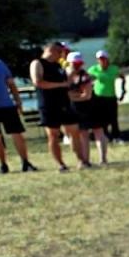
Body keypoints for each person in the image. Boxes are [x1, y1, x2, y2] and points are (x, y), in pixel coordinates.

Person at [0, 37, 36, 173]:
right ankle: (3, 165)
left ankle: (25, 162)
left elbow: (11, 83)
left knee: (17, 134)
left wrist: (18, 101)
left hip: (6, 105)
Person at [29, 41, 75, 171]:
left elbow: (70, 77)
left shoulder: (59, 64)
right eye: (59, 52)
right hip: (48, 103)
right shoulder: (38, 63)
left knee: (74, 130)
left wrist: (67, 63)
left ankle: (82, 159)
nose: (61, 55)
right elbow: (38, 82)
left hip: (64, 102)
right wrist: (61, 85)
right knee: (53, 134)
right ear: (52, 50)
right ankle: (61, 163)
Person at [64, 52, 99, 166]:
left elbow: (87, 95)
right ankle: (79, 158)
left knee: (84, 134)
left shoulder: (84, 76)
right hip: (68, 108)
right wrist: (74, 95)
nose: (77, 66)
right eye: (75, 64)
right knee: (72, 135)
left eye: (79, 63)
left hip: (83, 109)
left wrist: (72, 96)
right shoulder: (63, 75)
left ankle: (86, 160)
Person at [87, 51, 123, 152]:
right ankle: (105, 136)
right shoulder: (94, 69)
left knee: (113, 118)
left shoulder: (113, 68)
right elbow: (86, 78)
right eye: (99, 59)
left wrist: (123, 90)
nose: (101, 61)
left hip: (111, 96)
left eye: (103, 58)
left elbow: (122, 76)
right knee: (102, 118)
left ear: (107, 59)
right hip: (99, 98)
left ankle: (116, 136)